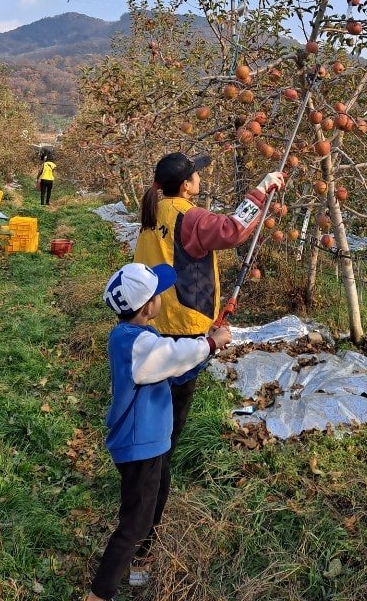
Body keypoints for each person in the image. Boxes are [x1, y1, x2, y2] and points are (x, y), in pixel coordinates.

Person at [85, 261, 231, 601]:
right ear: (147, 306)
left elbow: (172, 368)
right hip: (139, 446)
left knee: (154, 502)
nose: (164, 297)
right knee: (135, 521)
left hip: (152, 444)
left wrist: (207, 348)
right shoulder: (132, 342)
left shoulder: (142, 338)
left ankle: (140, 563)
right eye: (159, 293)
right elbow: (170, 355)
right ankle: (100, 592)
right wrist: (208, 345)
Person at [133, 152, 284, 448]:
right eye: (196, 175)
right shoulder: (187, 216)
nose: (200, 178)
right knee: (174, 411)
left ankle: (147, 451)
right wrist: (262, 189)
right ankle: (157, 464)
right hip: (182, 323)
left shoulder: (152, 213)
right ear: (186, 185)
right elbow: (231, 230)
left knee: (154, 396)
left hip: (150, 318)